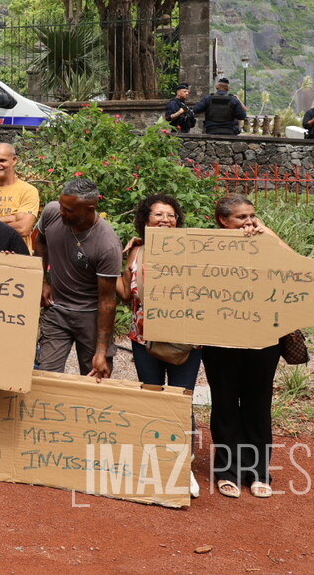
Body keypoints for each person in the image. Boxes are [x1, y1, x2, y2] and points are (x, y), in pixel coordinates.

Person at [118, 194, 202, 497]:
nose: (165, 220)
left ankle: (183, 467)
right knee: (152, 399)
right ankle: (154, 463)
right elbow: (126, 295)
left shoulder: (194, 250)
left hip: (185, 342)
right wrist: (122, 260)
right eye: (158, 215)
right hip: (144, 339)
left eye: (170, 215)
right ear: (145, 219)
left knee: (181, 402)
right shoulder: (137, 251)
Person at [204, 193, 286, 500]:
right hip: (221, 340)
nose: (249, 221)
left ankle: (258, 472)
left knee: (257, 404)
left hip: (264, 339)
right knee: (224, 403)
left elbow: (298, 268)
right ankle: (227, 471)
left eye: (252, 215)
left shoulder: (266, 242)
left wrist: (267, 233)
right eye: (241, 217)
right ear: (223, 220)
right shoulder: (206, 247)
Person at [34, 177, 119, 379]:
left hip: (90, 317)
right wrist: (42, 280)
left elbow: (108, 301)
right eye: (62, 206)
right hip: (57, 311)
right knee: (46, 377)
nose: (62, 212)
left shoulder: (107, 244)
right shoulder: (52, 213)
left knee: (94, 377)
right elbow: (40, 241)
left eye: (69, 210)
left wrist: (101, 352)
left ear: (89, 209)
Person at [0, 143, 40, 248]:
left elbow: (23, 228)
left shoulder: (28, 191)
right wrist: (13, 217)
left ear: (14, 160)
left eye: (2, 160)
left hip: (17, 257)